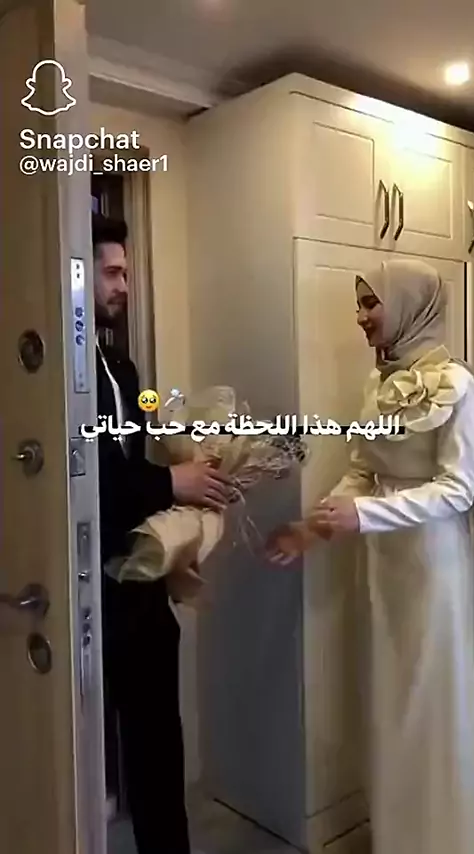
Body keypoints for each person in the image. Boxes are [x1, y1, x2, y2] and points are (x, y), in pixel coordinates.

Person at [266, 258, 474, 854]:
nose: (360, 317)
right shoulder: (378, 384)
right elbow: (363, 470)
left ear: (408, 305)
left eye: (370, 303)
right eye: (359, 304)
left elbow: (458, 489)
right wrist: (315, 527)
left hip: (432, 565)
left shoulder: (457, 385)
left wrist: (364, 515)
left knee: (429, 705)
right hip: (382, 566)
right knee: (389, 707)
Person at [93, 213, 231, 854]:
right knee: (78, 740)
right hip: (84, 584)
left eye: (125, 272)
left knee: (156, 741)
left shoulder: (122, 367)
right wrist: (172, 483)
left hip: (138, 580)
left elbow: (134, 460)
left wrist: (197, 467)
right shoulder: (50, 374)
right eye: (112, 272)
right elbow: (85, 483)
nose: (124, 285)